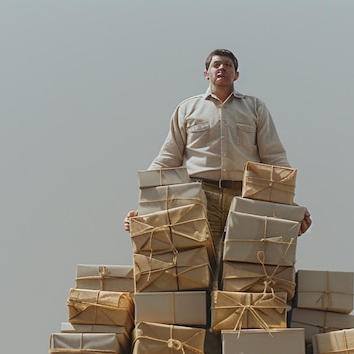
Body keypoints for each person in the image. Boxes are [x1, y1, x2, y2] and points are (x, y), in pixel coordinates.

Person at [125, 49, 311, 251]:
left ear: (236, 74)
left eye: (228, 65)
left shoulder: (254, 108)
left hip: (244, 196)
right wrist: (145, 207)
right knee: (201, 259)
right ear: (206, 74)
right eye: (216, 65)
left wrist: (289, 204)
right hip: (200, 195)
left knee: (243, 262)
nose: (222, 68)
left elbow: (274, 157)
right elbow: (167, 159)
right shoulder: (187, 109)